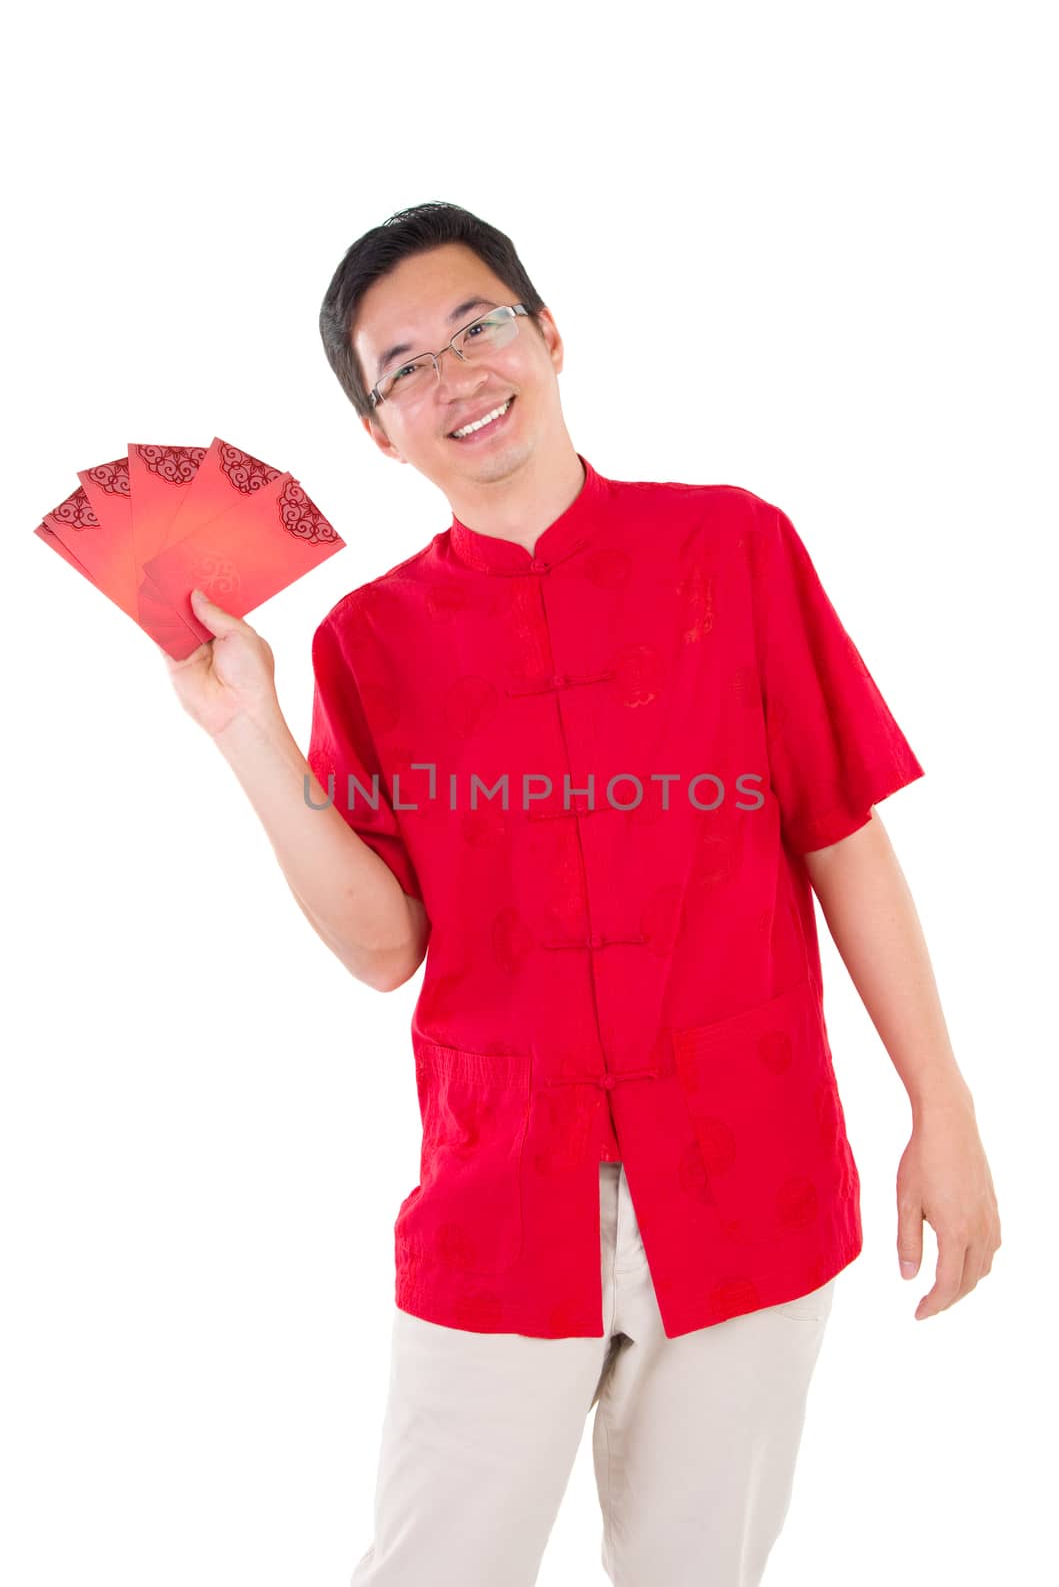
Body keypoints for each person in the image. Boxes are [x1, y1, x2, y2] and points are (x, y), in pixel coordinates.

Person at [164, 201, 1002, 1587]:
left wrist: (946, 1111)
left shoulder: (736, 549)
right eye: (404, 368)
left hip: (752, 1178)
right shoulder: (368, 641)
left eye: (479, 324)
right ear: (379, 432)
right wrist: (249, 729)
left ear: (549, 335)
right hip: (501, 1200)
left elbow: (840, 838)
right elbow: (384, 951)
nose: (456, 377)